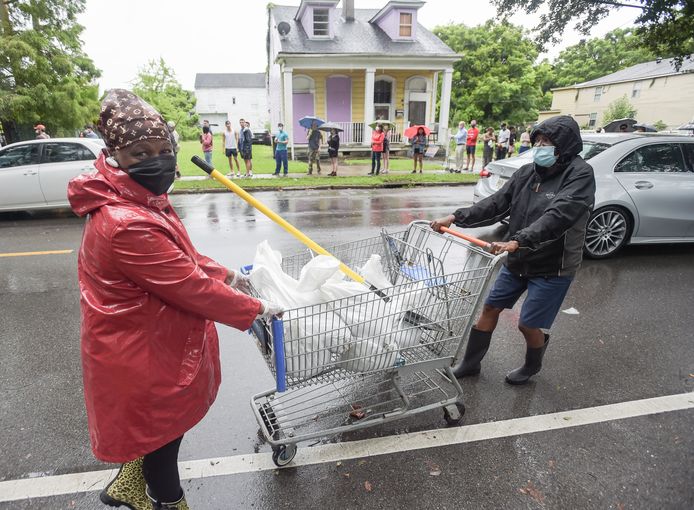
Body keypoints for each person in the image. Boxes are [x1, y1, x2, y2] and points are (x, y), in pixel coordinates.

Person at [67, 89, 283, 510]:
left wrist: (230, 275)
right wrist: (255, 309)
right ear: (116, 156)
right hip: (139, 350)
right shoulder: (126, 223)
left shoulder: (139, 201)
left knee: (162, 427)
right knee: (163, 431)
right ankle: (168, 501)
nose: (158, 159)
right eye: (141, 152)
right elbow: (188, 286)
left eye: (164, 149)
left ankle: (129, 484)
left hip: (147, 338)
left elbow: (184, 257)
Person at [430, 115, 595, 386]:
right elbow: (497, 203)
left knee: (527, 324)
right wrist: (456, 217)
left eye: (547, 142)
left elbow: (560, 215)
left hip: (553, 264)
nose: (540, 146)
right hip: (518, 257)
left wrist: (519, 239)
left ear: (564, 146)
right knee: (491, 308)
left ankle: (532, 365)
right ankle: (470, 364)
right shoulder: (528, 173)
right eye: (538, 140)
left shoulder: (579, 175)